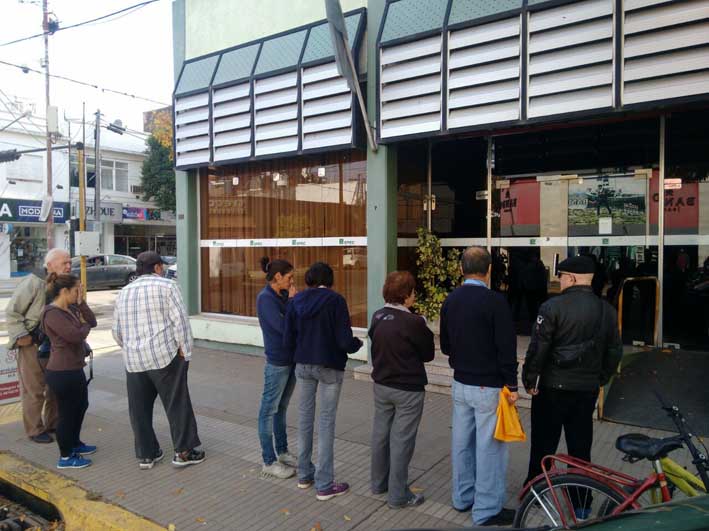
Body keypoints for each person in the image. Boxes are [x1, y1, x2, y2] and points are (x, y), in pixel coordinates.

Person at [522, 256, 622, 512]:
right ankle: (581, 502)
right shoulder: (607, 310)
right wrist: (601, 379)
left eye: (562, 276)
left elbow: (538, 348)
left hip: (552, 388)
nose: (560, 281)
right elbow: (614, 352)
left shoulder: (552, 307)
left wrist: (530, 379)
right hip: (586, 390)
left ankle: (536, 493)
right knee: (580, 448)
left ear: (573, 278)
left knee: (543, 445)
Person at [440, 246, 519, 527]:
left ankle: (462, 498)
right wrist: (512, 383)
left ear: (461, 270)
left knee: (461, 443)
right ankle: (486, 510)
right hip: (489, 386)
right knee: (489, 448)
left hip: (460, 383)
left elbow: (446, 345)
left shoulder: (450, 300)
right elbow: (506, 348)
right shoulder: (495, 302)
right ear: (488, 270)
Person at [112, 251, 204, 470]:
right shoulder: (168, 287)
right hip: (165, 358)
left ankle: (147, 455)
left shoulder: (124, 292)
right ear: (157, 268)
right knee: (177, 405)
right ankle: (183, 452)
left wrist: (131, 348)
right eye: (161, 266)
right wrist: (185, 352)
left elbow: (117, 331)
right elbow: (180, 323)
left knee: (139, 410)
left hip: (134, 361)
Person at [284, 262, 363, 501]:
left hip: (303, 365)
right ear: (330, 280)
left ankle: (304, 475)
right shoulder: (336, 301)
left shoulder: (295, 301)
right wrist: (357, 344)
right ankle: (325, 484)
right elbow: (344, 341)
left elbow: (288, 339)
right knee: (326, 422)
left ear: (308, 279)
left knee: (304, 418)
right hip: (329, 367)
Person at [369, 271, 434, 509]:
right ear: (406, 295)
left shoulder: (377, 316)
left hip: (382, 385)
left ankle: (378, 483)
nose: (414, 295)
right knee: (402, 440)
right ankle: (398, 495)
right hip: (408, 388)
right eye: (413, 291)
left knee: (380, 434)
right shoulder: (414, 322)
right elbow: (428, 354)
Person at [5, 248, 71, 443]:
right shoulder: (33, 283)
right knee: (34, 389)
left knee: (54, 388)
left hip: (55, 346)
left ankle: (53, 423)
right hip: (32, 344)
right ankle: (34, 429)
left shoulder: (62, 284)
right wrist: (22, 336)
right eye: (64, 263)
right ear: (50, 265)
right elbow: (12, 312)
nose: (69, 266)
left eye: (69, 262)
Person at [40, 273, 97, 469]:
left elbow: (92, 321)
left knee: (81, 406)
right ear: (64, 291)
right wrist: (85, 325)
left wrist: (81, 304)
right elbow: (74, 335)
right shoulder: (52, 313)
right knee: (66, 413)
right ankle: (65, 457)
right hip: (61, 371)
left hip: (74, 368)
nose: (78, 293)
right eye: (76, 290)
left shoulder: (71, 308)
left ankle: (75, 443)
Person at [256, 256, 298, 479]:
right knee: (268, 410)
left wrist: (292, 302)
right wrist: (292, 302)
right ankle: (268, 460)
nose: (292, 282)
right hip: (277, 361)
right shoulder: (265, 298)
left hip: (291, 360)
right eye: (289, 277)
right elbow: (284, 327)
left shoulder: (280, 295)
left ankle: (282, 452)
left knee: (281, 408)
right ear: (278, 277)